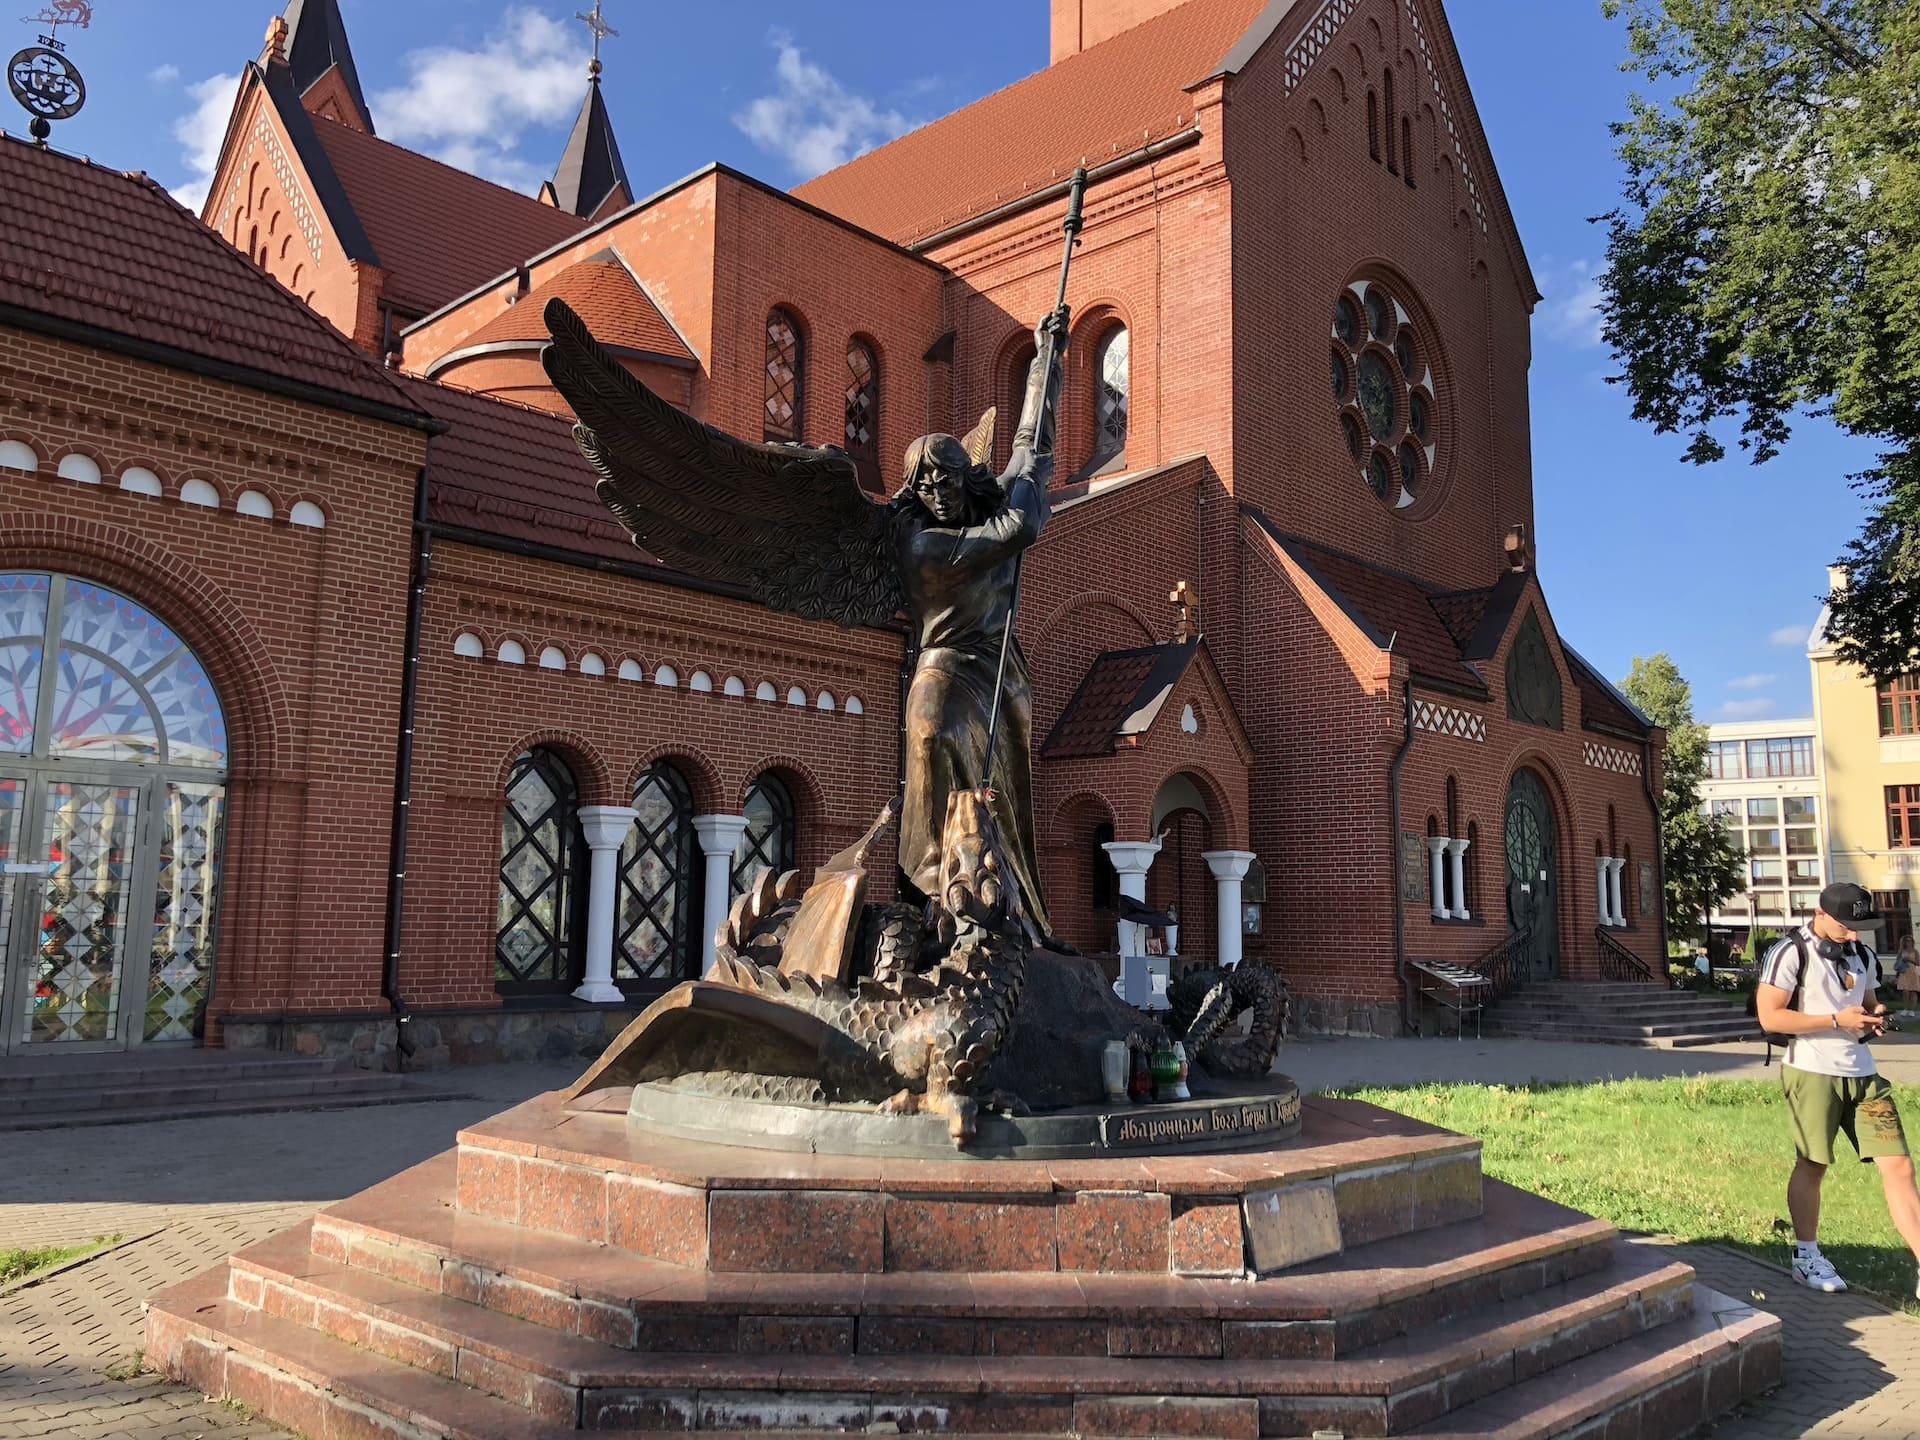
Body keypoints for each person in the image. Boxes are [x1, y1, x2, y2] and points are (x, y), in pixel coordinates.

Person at [1755, 882, 1920, 1294]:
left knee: (1899, 1164)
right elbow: (1771, 1018)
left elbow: (1866, 1002)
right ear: (1821, 913)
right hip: (1811, 1073)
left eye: (1859, 927)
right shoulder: (1790, 952)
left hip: (1864, 1075)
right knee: (1814, 1164)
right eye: (1847, 926)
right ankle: (1806, 1256)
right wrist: (1834, 1021)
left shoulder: (1861, 953)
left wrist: (1874, 1016)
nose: (1854, 935)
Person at [1897, 933, 1920, 1013]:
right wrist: (1901, 960)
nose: (1908, 942)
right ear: (1903, 942)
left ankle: (1912, 1010)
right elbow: (1897, 962)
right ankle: (1906, 1008)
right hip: (1904, 972)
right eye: (1906, 941)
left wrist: (1910, 960)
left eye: (1910, 941)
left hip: (1912, 972)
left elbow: (1918, 963)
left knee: (1913, 991)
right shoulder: (1901, 951)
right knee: (1905, 991)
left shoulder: (1915, 951)